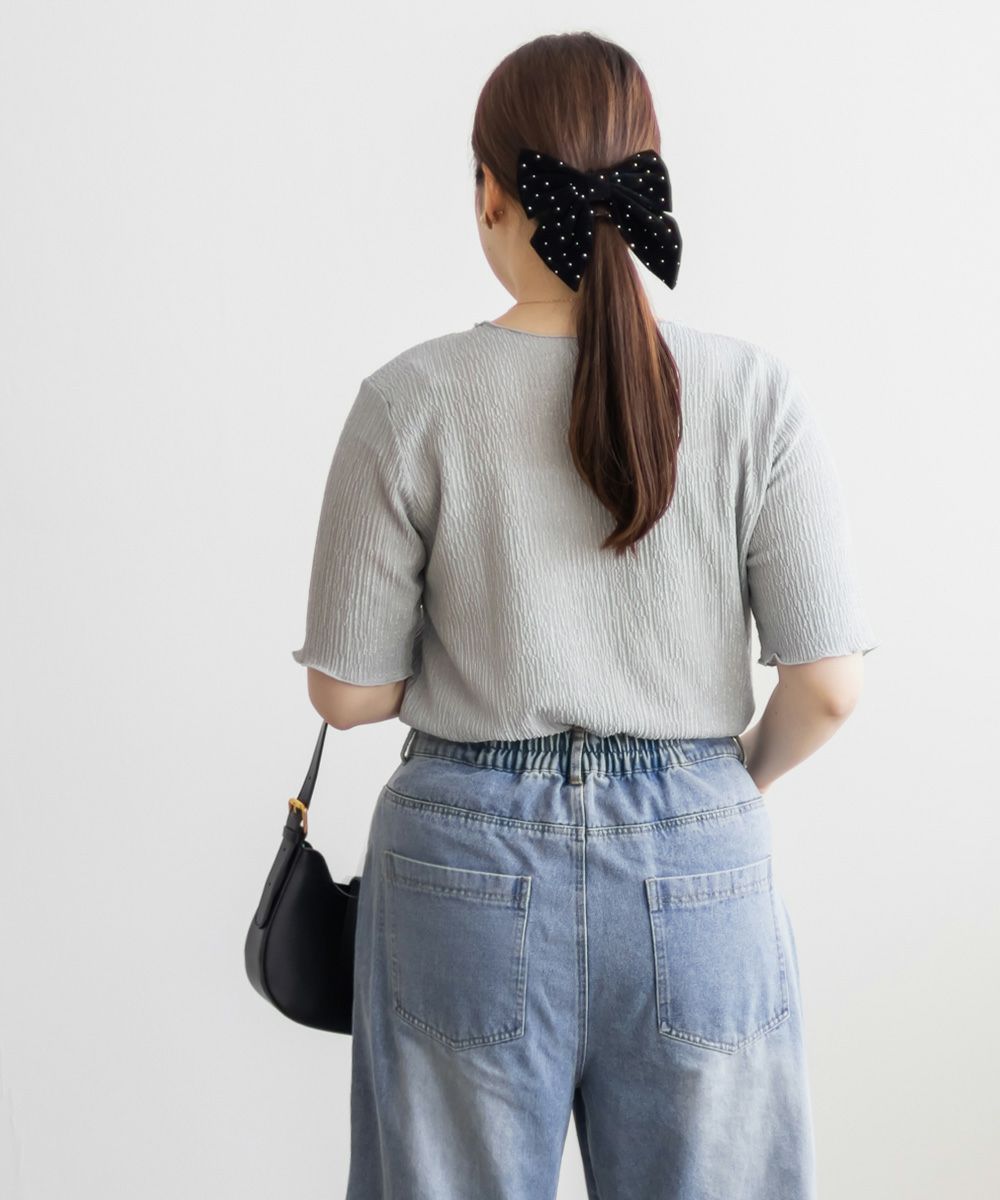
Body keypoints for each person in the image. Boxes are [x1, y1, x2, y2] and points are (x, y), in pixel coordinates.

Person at [290, 30, 878, 1200]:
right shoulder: (756, 394)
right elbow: (827, 686)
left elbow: (346, 697)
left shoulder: (407, 400)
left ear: (490, 193)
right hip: (699, 862)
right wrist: (722, 784)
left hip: (460, 866)